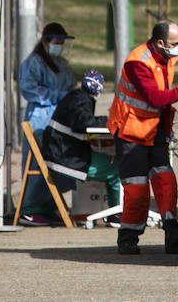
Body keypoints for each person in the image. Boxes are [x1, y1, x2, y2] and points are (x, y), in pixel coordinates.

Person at [107, 20, 178, 255]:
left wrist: (165, 128)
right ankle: (128, 239)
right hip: (131, 132)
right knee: (137, 190)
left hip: (153, 132)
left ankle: (174, 234)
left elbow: (160, 99)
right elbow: (155, 98)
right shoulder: (138, 63)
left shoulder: (165, 58)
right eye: (176, 43)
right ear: (160, 43)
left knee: (166, 181)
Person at [24, 69, 121, 224]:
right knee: (116, 168)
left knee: (111, 162)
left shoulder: (77, 97)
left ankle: (115, 213)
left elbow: (80, 121)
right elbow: (83, 123)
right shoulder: (81, 100)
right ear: (99, 90)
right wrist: (110, 122)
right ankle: (116, 214)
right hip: (65, 156)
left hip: (61, 151)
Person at [17, 22, 79, 225]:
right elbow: (29, 89)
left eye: (62, 43)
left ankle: (49, 204)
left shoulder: (61, 63)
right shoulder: (32, 63)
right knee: (37, 162)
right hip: (40, 119)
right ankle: (30, 207)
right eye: (56, 42)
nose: (59, 46)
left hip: (60, 119)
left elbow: (71, 85)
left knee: (57, 161)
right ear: (45, 42)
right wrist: (58, 96)